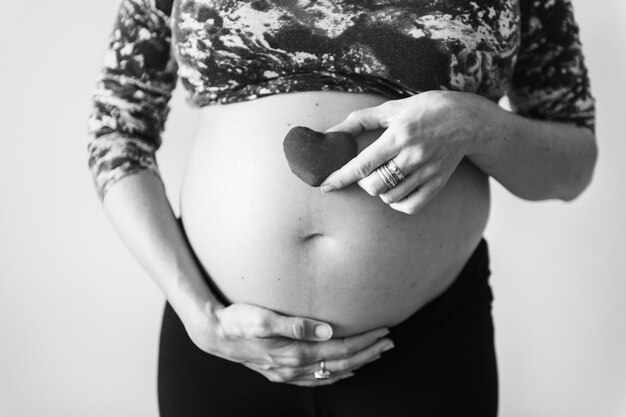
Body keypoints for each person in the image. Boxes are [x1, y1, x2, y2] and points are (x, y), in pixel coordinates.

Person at [86, 0, 597, 416]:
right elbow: (117, 130)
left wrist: (477, 123)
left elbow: (572, 165)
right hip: (224, 342)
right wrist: (201, 316)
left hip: (424, 348)